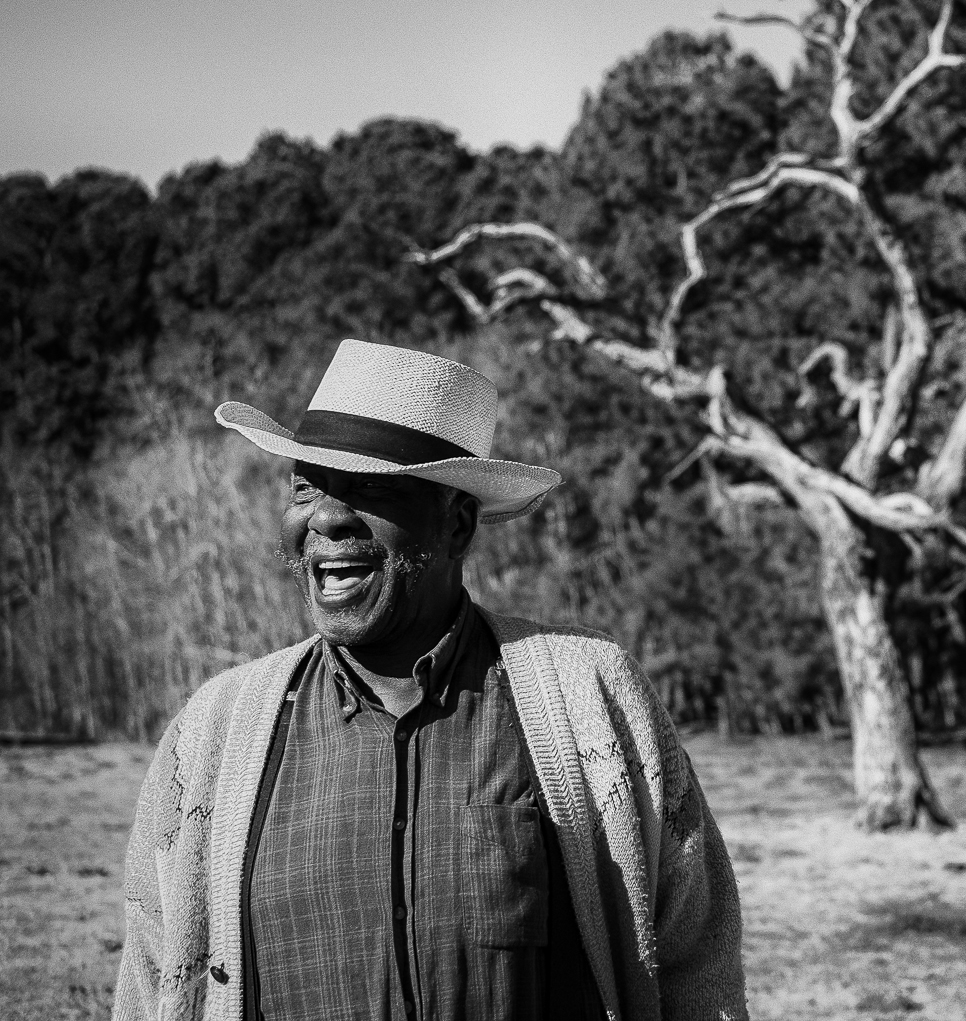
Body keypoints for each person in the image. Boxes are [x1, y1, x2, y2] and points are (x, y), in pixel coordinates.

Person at [112, 339, 746, 1021]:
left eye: (371, 488)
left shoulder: (588, 694)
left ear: (457, 523)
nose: (324, 517)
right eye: (306, 485)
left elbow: (694, 957)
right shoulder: (216, 730)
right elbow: (153, 976)